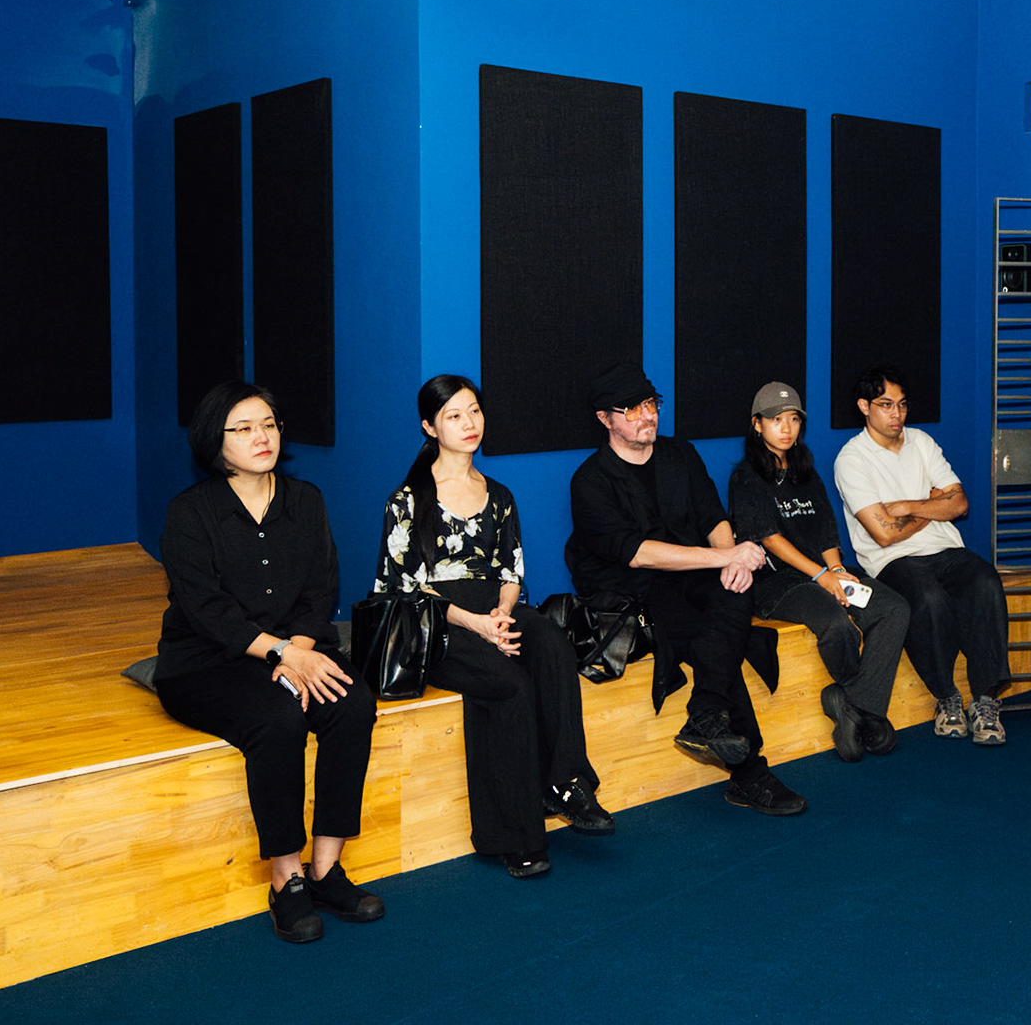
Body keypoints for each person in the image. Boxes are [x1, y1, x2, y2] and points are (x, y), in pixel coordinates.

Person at [155, 381, 382, 943]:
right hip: (206, 661)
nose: (262, 437)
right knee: (278, 718)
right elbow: (208, 611)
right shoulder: (190, 512)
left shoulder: (306, 500)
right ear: (215, 441)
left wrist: (298, 651)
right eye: (244, 428)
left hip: (293, 648)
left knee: (352, 703)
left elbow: (320, 589)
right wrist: (280, 653)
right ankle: (286, 879)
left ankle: (325, 870)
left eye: (269, 425)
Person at [373, 375, 611, 880]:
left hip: (493, 609)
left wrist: (501, 615)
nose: (469, 423)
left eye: (475, 411)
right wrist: (478, 625)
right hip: (435, 621)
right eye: (454, 415)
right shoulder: (407, 499)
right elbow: (404, 587)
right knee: (509, 686)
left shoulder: (498, 494)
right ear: (429, 427)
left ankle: (566, 782)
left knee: (551, 643)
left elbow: (510, 572)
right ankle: (516, 836)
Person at [564, 363, 808, 816]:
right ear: (604, 419)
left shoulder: (680, 454)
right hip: (632, 595)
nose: (647, 416)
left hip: (692, 575)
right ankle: (749, 772)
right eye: (631, 409)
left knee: (736, 593)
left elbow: (712, 516)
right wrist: (727, 558)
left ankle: (707, 713)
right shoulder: (590, 481)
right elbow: (638, 554)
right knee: (710, 634)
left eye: (650, 404)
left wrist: (733, 560)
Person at [728, 381, 911, 762]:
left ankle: (855, 705)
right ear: (757, 424)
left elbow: (827, 530)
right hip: (776, 582)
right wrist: (822, 577)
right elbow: (771, 540)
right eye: (776, 420)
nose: (786, 428)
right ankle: (865, 709)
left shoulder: (806, 472)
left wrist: (837, 569)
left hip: (820, 571)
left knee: (893, 609)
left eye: (793, 419)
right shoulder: (746, 476)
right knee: (836, 623)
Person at [834, 365, 1010, 745]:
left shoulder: (922, 442)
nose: (896, 413)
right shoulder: (852, 458)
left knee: (985, 581)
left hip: (945, 548)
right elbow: (883, 534)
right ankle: (946, 697)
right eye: (885, 405)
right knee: (928, 599)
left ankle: (985, 700)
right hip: (891, 561)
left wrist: (905, 506)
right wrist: (932, 504)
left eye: (902, 404)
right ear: (864, 406)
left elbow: (959, 503)